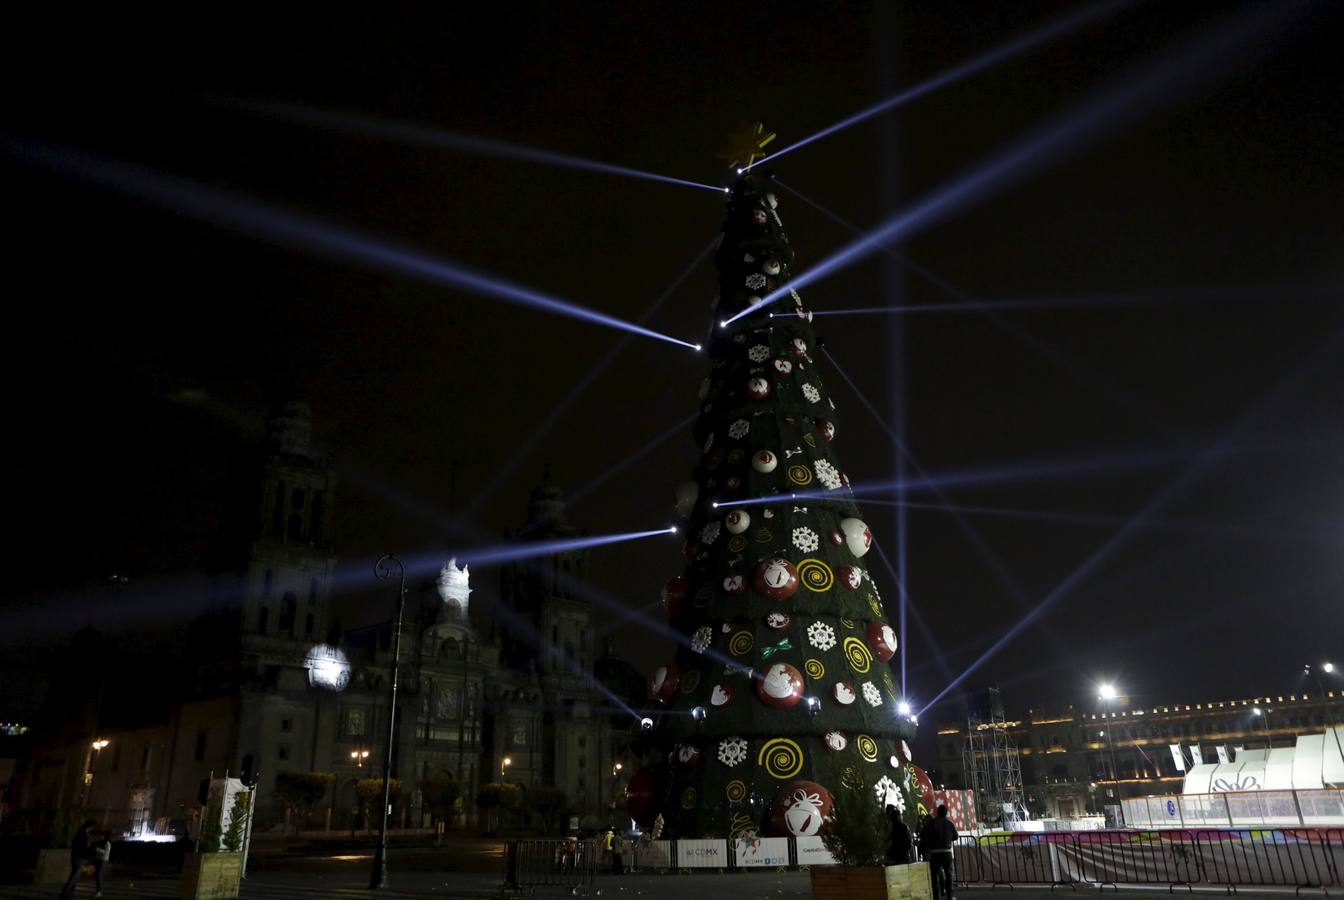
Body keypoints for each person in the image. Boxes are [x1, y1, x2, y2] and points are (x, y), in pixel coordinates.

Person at [919, 804, 959, 900]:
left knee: (934, 876)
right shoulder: (950, 823)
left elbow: (926, 837)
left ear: (937, 812)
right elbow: (955, 836)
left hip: (935, 853)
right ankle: (949, 896)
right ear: (946, 813)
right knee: (948, 874)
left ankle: (936, 896)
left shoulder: (932, 823)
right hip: (947, 852)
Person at [59, 819, 97, 898]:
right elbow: (82, 847)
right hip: (79, 857)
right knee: (75, 875)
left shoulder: (80, 832)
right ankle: (66, 892)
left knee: (76, 875)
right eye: (93, 827)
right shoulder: (82, 834)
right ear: (91, 826)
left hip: (76, 856)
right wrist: (90, 850)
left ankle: (70, 891)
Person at [92, 829, 112, 897]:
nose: (101, 836)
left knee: (99, 875)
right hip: (98, 860)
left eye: (103, 835)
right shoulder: (101, 842)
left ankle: (99, 891)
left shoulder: (107, 843)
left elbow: (105, 852)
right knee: (98, 876)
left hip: (103, 860)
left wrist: (97, 849)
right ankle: (99, 891)